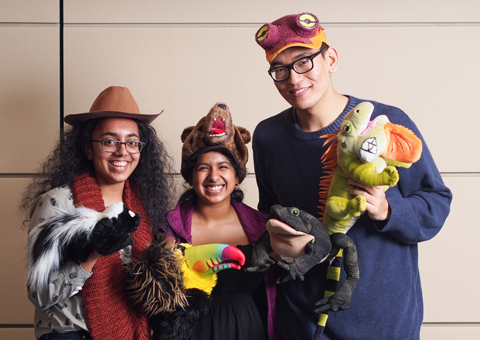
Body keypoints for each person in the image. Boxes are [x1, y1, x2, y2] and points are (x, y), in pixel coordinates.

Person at [252, 12, 453, 340]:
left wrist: (386, 210)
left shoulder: (382, 123)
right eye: (280, 69)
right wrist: (280, 244)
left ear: (330, 58)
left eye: (304, 61)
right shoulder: (268, 136)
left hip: (385, 324)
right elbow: (269, 210)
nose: (293, 79)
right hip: (302, 321)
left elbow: (436, 203)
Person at [21, 86, 173, 340]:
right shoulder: (59, 203)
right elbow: (40, 294)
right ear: (88, 148)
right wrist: (93, 253)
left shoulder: (144, 209)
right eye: (110, 141)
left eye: (132, 142)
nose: (122, 151)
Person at [162, 102, 279, 340]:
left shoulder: (264, 226)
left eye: (223, 167)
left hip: (252, 331)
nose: (214, 176)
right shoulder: (167, 229)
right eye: (203, 168)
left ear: (237, 178)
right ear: (191, 177)